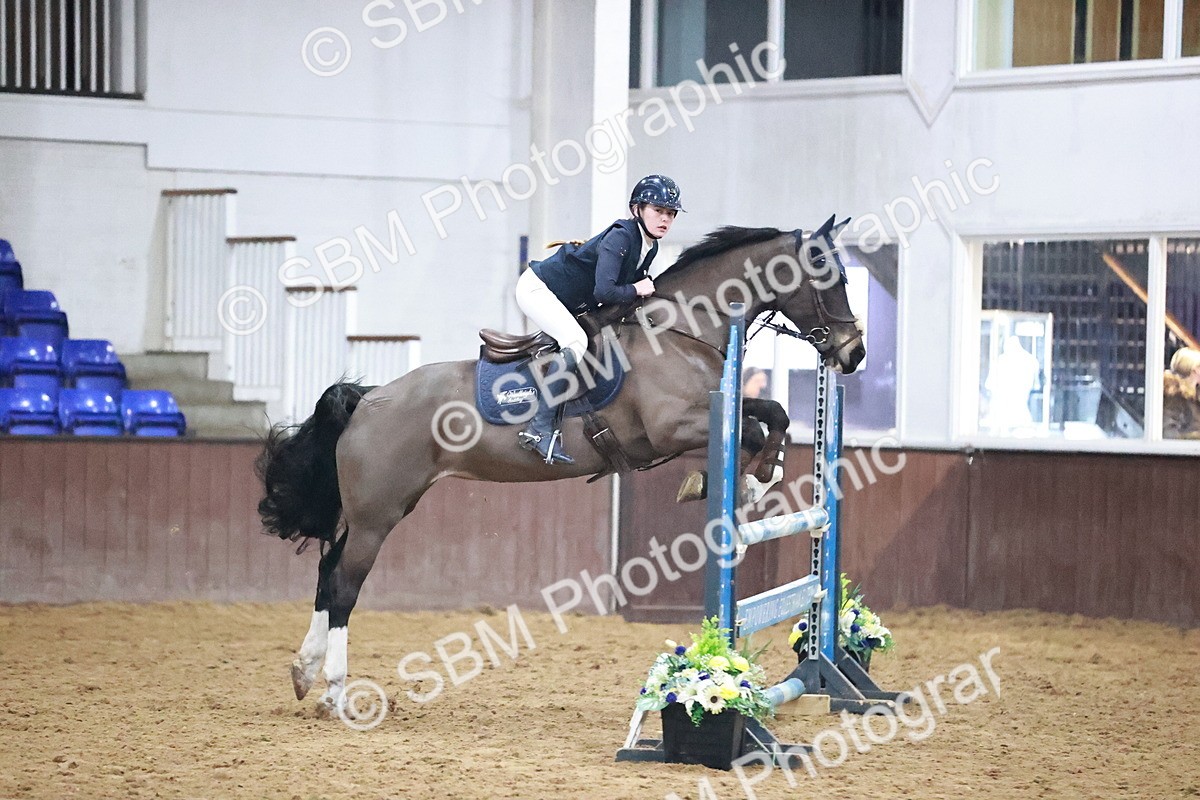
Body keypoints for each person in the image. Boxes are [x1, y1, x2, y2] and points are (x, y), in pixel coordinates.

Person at [514, 174, 683, 464]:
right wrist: (637, 289)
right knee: (576, 341)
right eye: (658, 210)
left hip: (567, 298)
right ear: (637, 209)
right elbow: (604, 291)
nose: (665, 219)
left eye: (671, 213)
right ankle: (538, 429)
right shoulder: (621, 237)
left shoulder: (650, 246)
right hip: (538, 289)